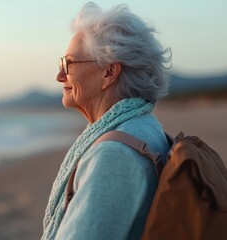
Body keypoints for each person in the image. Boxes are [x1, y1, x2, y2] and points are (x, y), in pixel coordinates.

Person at [42, 2, 172, 240]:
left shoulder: (115, 154)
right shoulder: (144, 126)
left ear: (109, 72)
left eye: (68, 64)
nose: (59, 75)